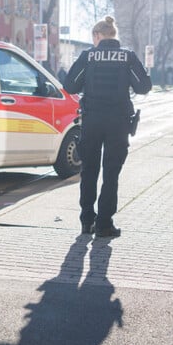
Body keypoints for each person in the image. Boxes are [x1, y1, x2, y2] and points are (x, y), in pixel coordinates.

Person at [64, 15, 152, 238]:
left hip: (92, 121)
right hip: (118, 123)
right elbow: (143, 87)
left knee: (89, 171)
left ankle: (86, 221)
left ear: (97, 35)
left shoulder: (88, 56)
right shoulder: (128, 57)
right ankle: (104, 223)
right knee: (111, 174)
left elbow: (70, 85)